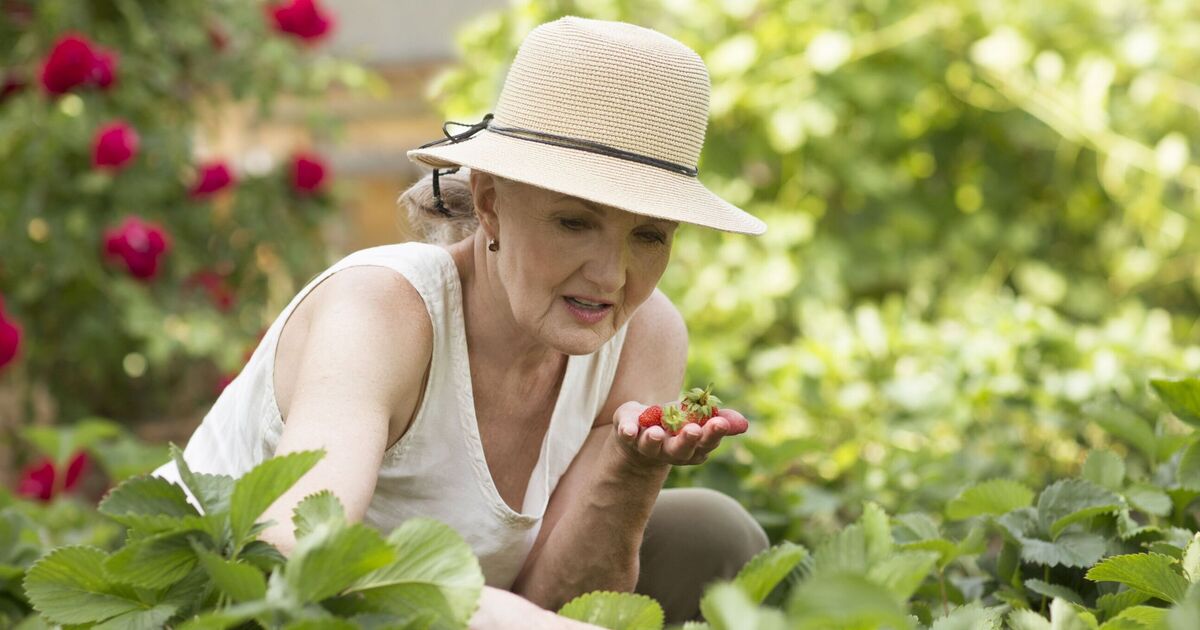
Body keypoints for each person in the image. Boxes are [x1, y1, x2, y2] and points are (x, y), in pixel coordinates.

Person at [154, 16, 769, 628]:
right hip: (223, 602)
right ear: (491, 202)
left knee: (710, 532)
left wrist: (630, 466)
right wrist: (503, 616)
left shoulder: (647, 336)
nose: (611, 277)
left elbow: (568, 602)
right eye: (574, 223)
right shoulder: (381, 310)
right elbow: (295, 553)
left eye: (649, 236)